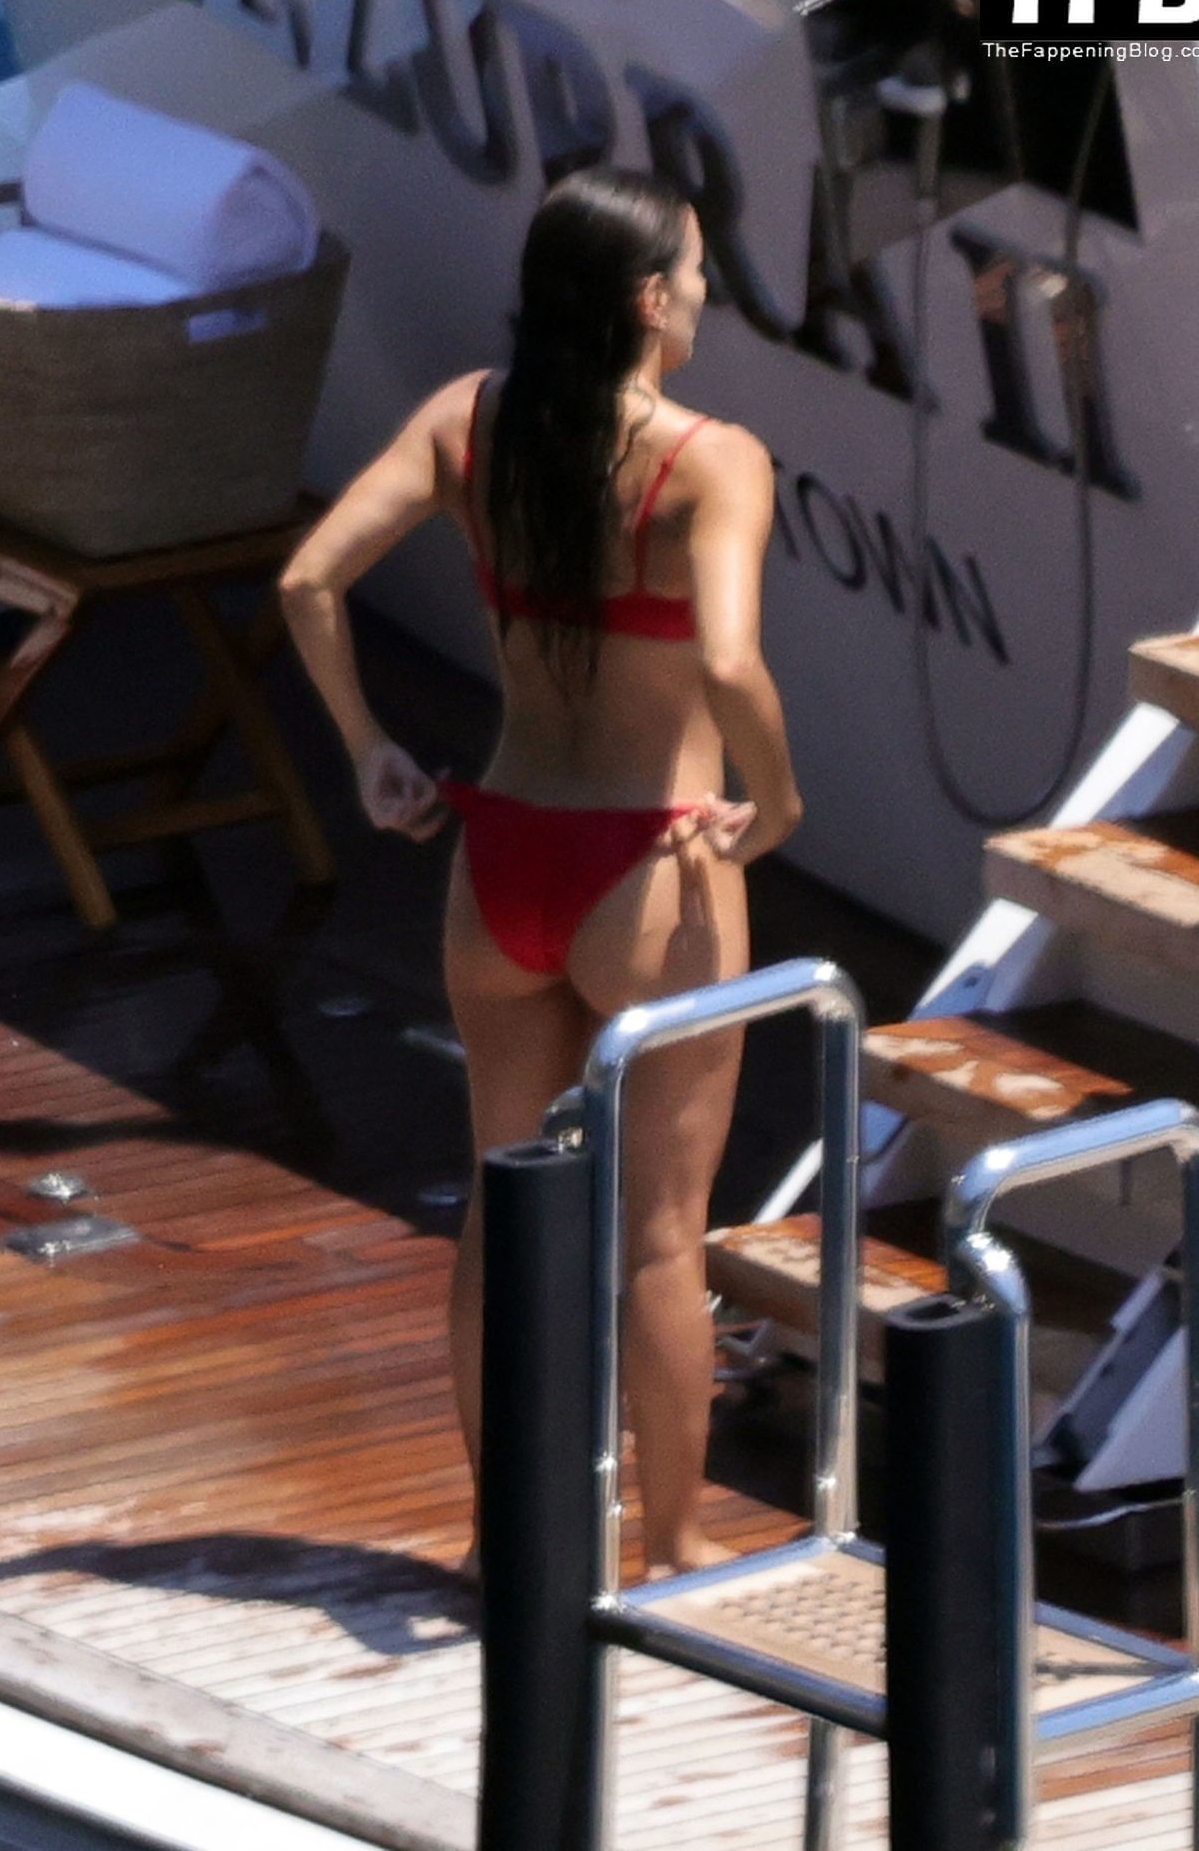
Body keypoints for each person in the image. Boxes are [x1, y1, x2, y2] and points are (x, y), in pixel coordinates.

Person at [279, 167, 803, 1578]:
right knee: (661, 1237)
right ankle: (677, 1544)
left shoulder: (469, 421)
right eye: (698, 270)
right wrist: (779, 802)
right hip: (654, 860)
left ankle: (499, 1537)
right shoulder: (713, 461)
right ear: (652, 298)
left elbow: (309, 581)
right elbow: (730, 662)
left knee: (499, 1209)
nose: (708, 293)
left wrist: (370, 751)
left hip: (503, 851)